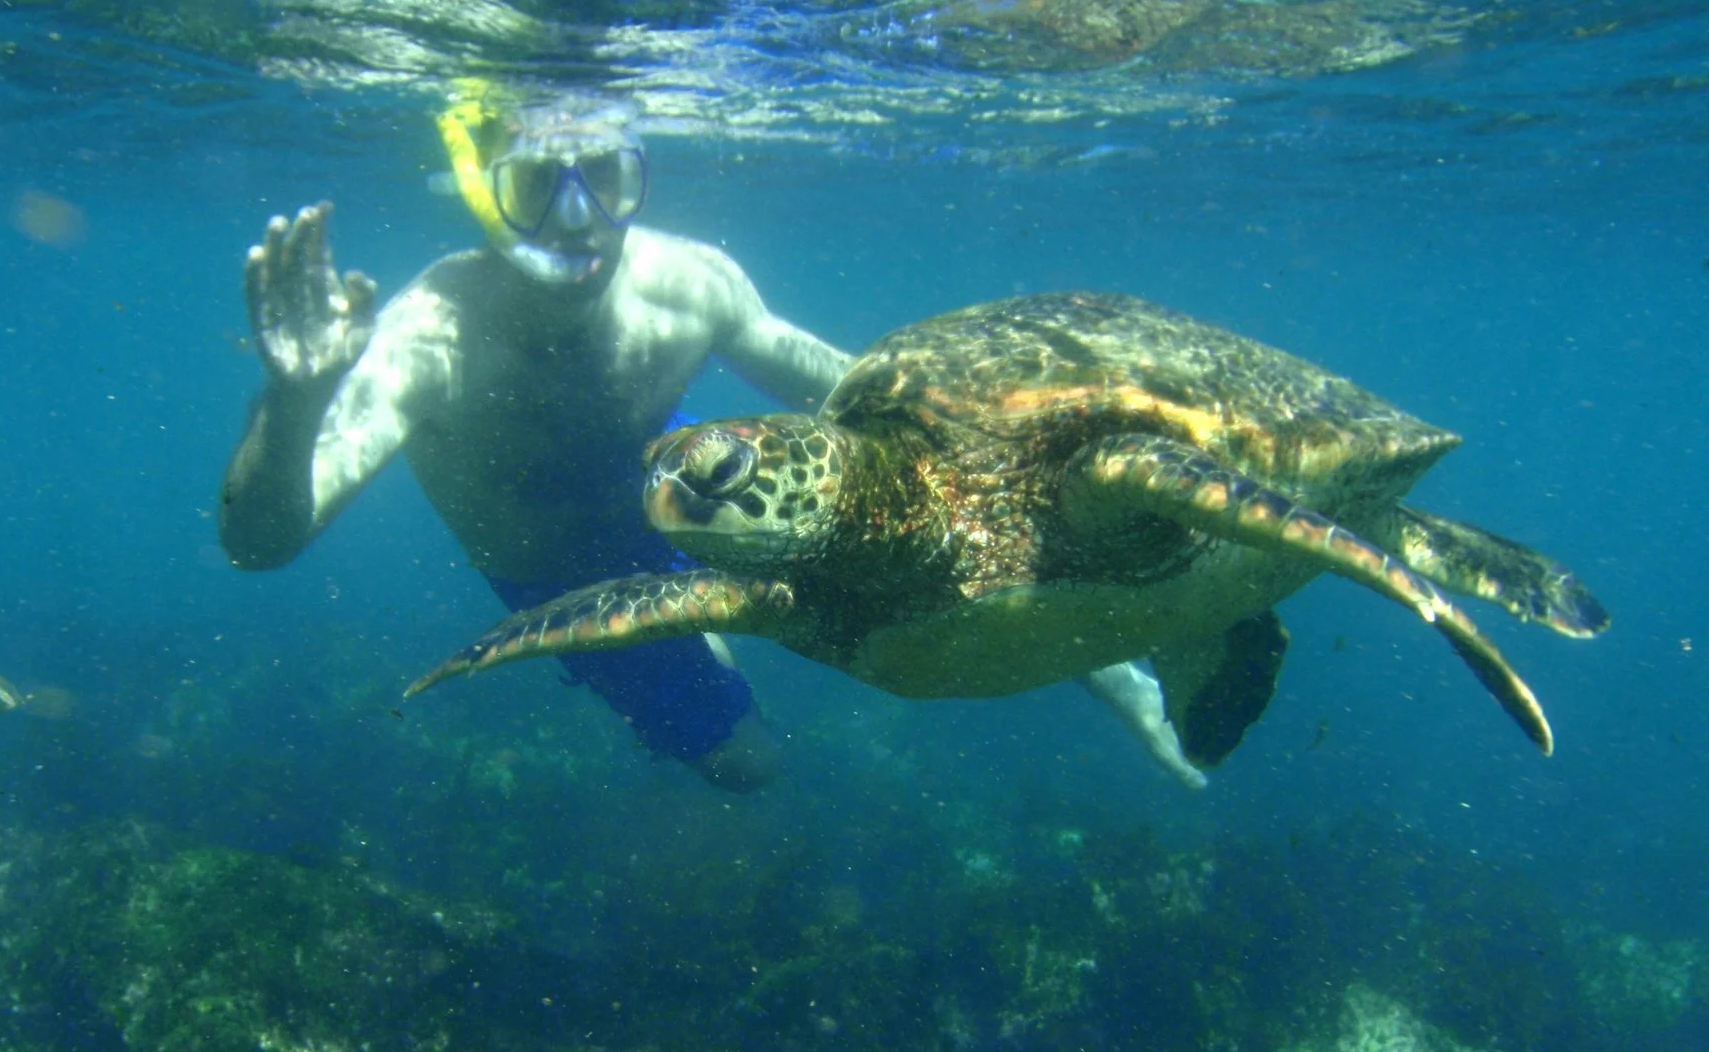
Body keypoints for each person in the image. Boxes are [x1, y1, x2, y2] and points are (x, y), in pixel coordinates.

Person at [219, 89, 1204, 792]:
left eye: (606, 178)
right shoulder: (425, 341)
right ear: (482, 188)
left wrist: (1024, 452)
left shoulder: (685, 284)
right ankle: (706, 643)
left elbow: (849, 390)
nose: (578, 220)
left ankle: (1097, 657)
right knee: (748, 766)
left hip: (689, 482)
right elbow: (261, 543)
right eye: (534, 188)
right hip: (560, 575)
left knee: (911, 521)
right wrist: (293, 399)